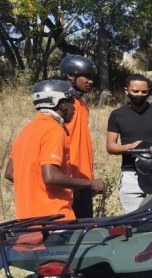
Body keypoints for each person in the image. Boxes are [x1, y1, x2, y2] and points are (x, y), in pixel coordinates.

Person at [4, 80, 104, 226]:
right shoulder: (54, 130)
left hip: (27, 220)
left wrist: (39, 188)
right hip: (55, 219)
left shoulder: (26, 130)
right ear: (61, 104)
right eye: (71, 102)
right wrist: (89, 184)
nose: (75, 108)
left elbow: (10, 172)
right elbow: (50, 176)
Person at [106, 74, 152, 214]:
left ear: (148, 91)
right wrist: (131, 147)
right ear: (126, 90)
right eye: (135, 91)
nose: (140, 95)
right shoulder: (117, 115)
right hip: (131, 174)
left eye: (144, 92)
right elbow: (111, 146)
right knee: (134, 221)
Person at [59, 54, 99, 218]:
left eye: (92, 78)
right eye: (87, 77)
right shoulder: (61, 105)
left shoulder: (81, 103)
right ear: (70, 76)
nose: (90, 81)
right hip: (69, 179)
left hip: (83, 177)